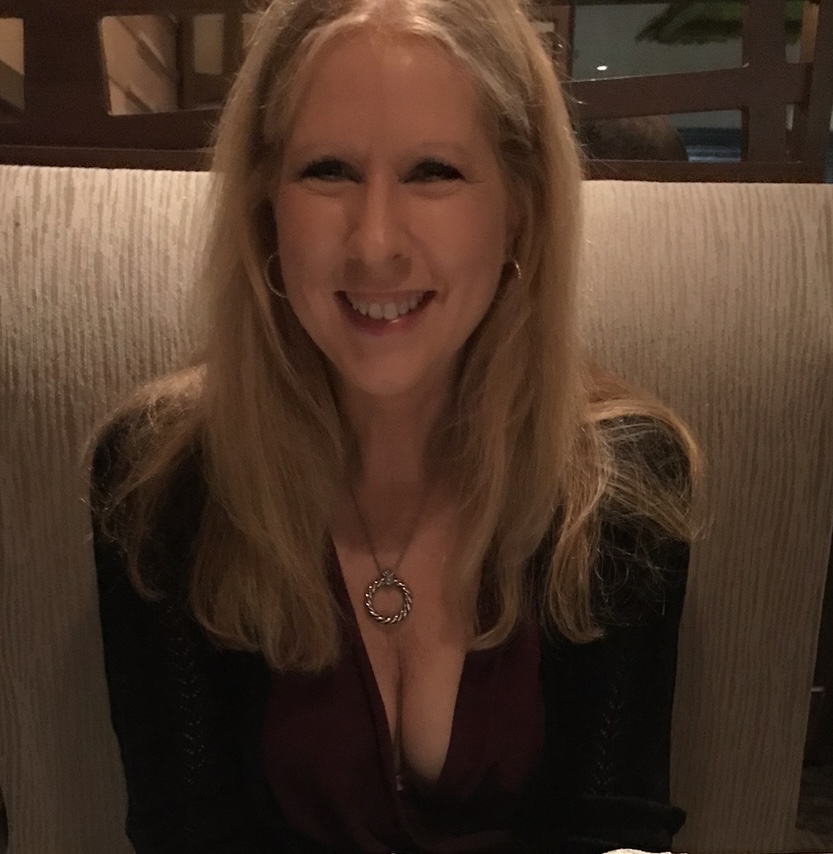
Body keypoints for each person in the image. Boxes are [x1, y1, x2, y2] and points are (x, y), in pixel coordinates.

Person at [90, 0, 702, 852]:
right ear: (265, 204)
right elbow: (189, 832)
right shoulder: (158, 480)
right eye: (328, 170)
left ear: (519, 207)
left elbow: (613, 831)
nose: (375, 242)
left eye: (433, 172)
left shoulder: (624, 483)